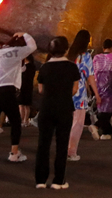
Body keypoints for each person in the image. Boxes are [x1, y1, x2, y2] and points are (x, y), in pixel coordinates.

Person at [0, 32, 37, 164]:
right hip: (6, 89)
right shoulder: (16, 51)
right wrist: (26, 34)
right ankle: (14, 152)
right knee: (16, 122)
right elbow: (32, 46)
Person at [35, 36, 81, 189]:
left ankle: (40, 180)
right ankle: (58, 181)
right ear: (66, 49)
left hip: (47, 107)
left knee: (43, 144)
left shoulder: (44, 67)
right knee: (62, 144)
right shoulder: (72, 67)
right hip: (64, 107)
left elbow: (40, 89)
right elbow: (75, 89)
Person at [66, 29, 99, 160]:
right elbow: (90, 76)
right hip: (79, 93)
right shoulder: (85, 56)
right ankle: (72, 151)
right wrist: (97, 93)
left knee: (68, 122)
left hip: (66, 91)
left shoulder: (69, 54)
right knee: (77, 123)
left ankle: (64, 148)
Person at [18, 54, 38, 128]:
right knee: (21, 105)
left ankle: (25, 120)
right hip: (21, 86)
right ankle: (22, 120)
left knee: (26, 105)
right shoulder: (23, 66)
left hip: (27, 86)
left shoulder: (30, 66)